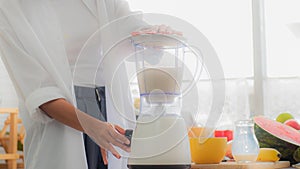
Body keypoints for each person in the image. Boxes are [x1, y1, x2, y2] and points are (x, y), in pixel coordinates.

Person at [0, 0, 144, 169]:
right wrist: (93, 127)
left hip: (107, 106)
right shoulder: (10, 6)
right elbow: (39, 93)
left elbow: (127, 24)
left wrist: (152, 34)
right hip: (63, 113)